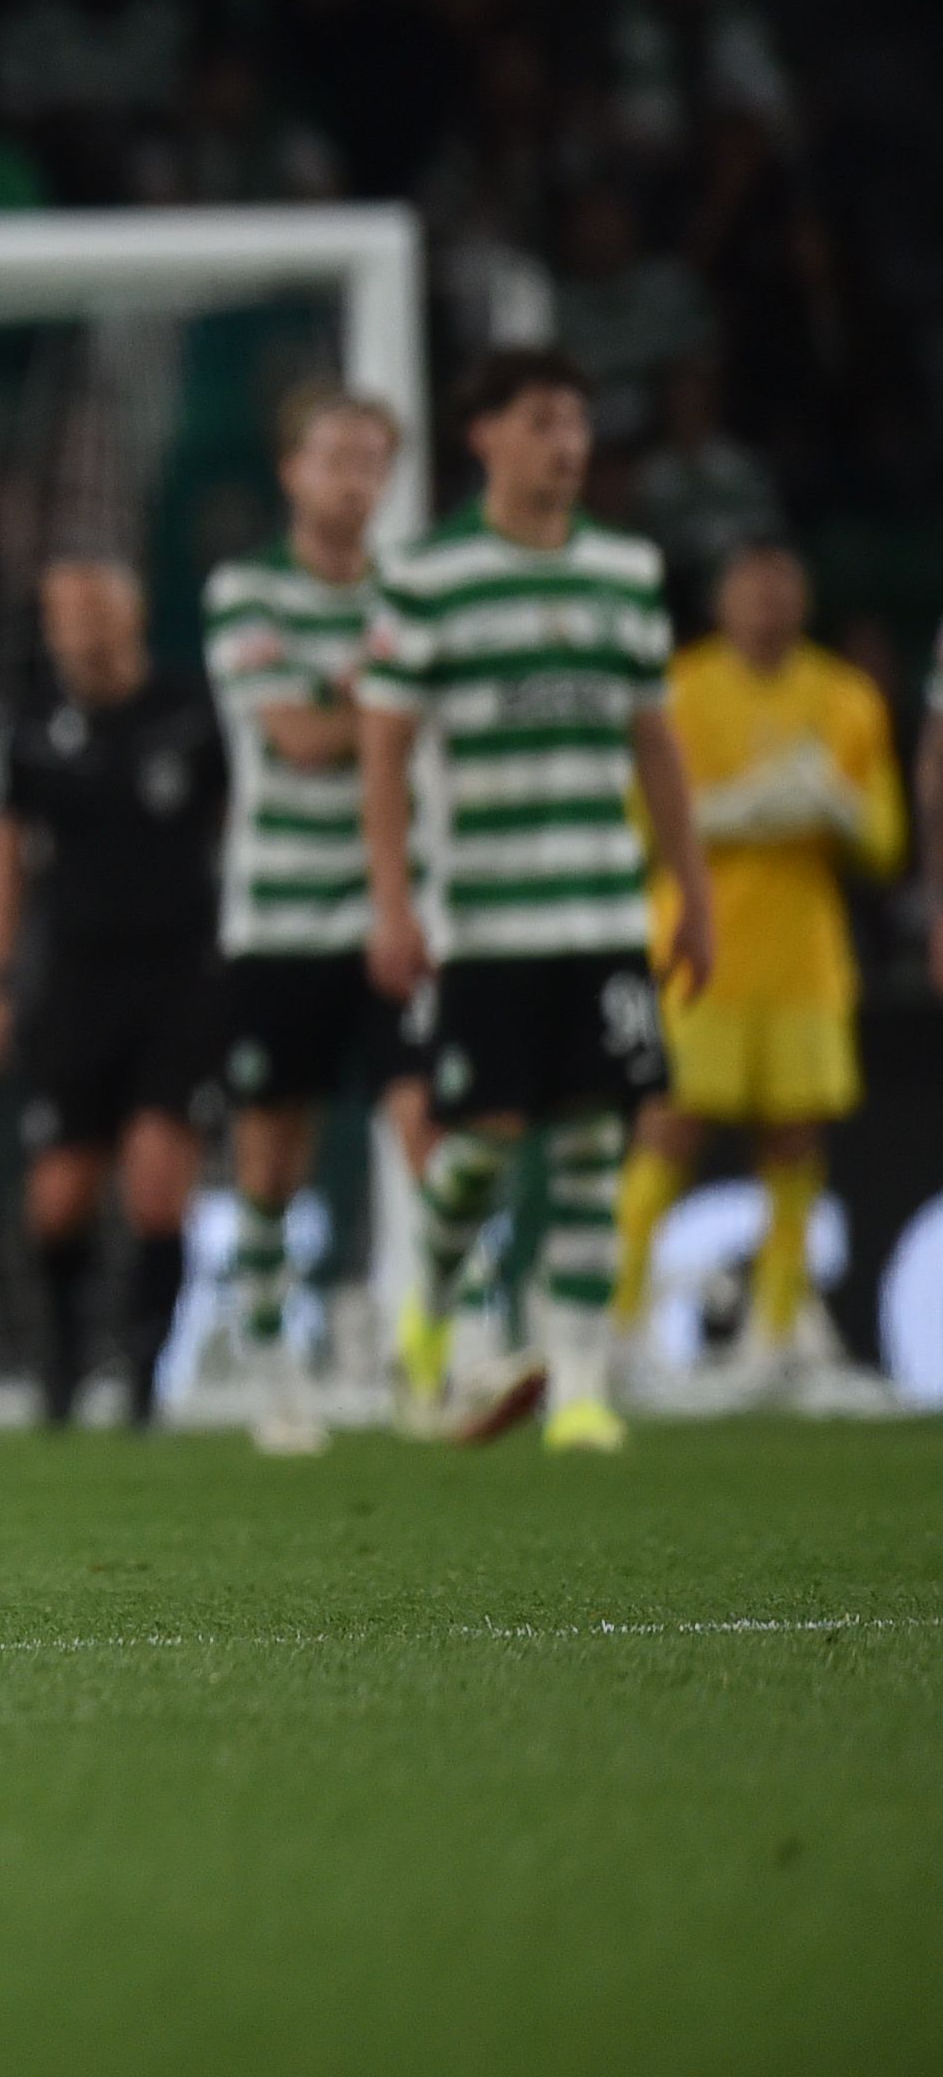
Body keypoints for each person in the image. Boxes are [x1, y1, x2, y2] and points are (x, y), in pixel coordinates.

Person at [360, 347, 713, 1455]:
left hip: (604, 909)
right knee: (485, 1136)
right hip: (486, 913)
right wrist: (391, 899)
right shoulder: (427, 573)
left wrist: (691, 890)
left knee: (592, 1143)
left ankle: (580, 1382)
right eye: (543, 421)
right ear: (486, 435)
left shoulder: (626, 569)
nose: (568, 443)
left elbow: (656, 741)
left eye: (578, 422)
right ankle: (429, 1303)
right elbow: (382, 748)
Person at [610, 537, 903, 1401]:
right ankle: (616, 1331)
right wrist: (746, 809)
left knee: (795, 1141)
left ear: (802, 600)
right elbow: (643, 828)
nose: (768, 604)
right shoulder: (681, 689)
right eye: (752, 588)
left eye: (783, 587)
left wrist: (835, 807)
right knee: (667, 1130)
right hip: (700, 957)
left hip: (805, 963)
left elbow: (885, 843)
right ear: (724, 599)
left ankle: (777, 1341)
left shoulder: (846, 699)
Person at [0, 554, 226, 1431]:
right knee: (60, 1195)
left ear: (137, 611)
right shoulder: (31, 723)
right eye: (64, 610)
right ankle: (64, 1354)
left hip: (181, 975)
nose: (81, 624)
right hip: (74, 979)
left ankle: (148, 1374)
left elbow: (237, 826)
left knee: (157, 1188)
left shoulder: (191, 712)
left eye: (98, 606)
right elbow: (1, 850)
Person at [202, 388, 410, 1453]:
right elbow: (298, 735)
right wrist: (388, 707)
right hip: (279, 911)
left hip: (397, 906)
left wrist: (364, 701)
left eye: (371, 458)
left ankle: (430, 1343)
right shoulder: (247, 591)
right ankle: (277, 1356)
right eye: (332, 455)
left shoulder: (412, 593)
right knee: (274, 1153)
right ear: (291, 470)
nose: (352, 475)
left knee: (432, 1122)